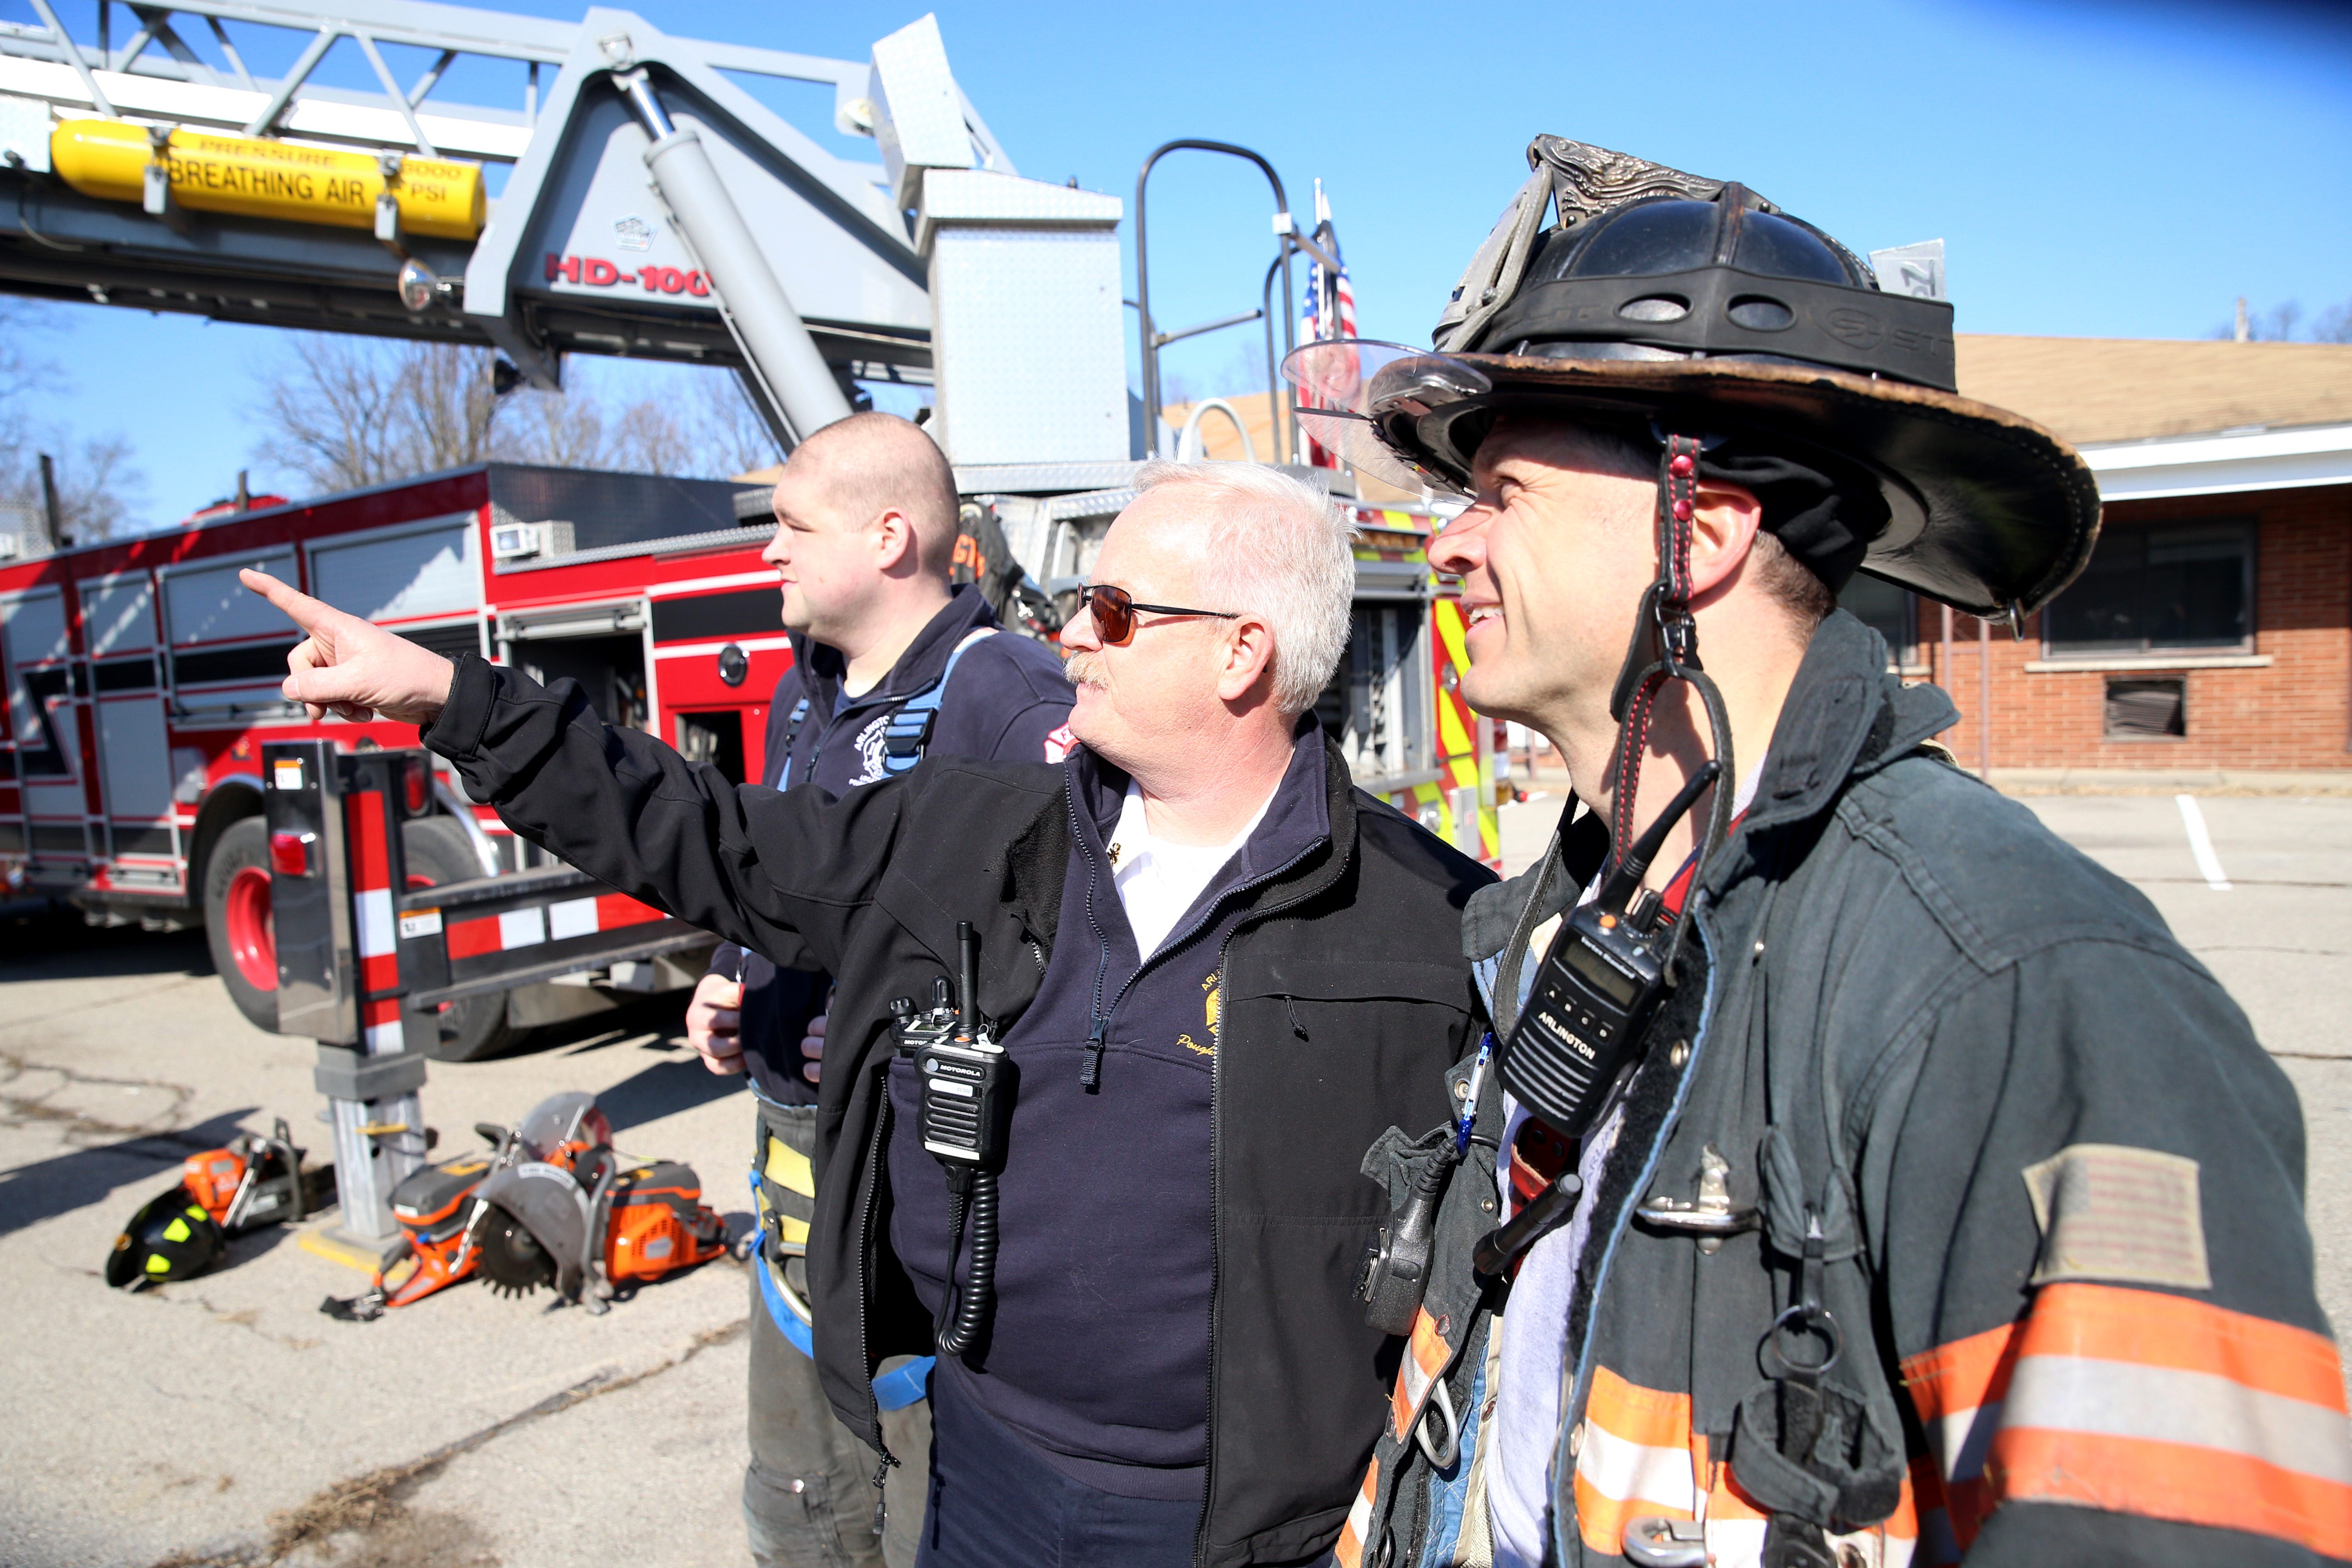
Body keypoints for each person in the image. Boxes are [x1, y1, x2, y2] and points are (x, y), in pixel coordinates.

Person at [1291, 139, 2352, 1568]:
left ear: (1706, 531)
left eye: (1504, 493)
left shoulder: (2015, 976)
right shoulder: (1568, 915)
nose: (1451, 544)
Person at [240, 459, 1495, 1568]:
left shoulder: (1435, 928)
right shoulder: (967, 833)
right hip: (981, 1469)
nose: (1069, 637)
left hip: (1244, 1528)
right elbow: (710, 836)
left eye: (1112, 611)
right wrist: (450, 698)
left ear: (1243, 651)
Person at [682, 412, 1076, 1568]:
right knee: (799, 1503)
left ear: (890, 534)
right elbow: (783, 878)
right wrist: (732, 975)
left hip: (915, 1214)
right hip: (792, 1196)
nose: (771, 552)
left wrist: (899, 1048)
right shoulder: (799, 693)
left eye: (794, 526)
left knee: (925, 1521)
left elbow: (1071, 938)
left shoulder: (1004, 697)